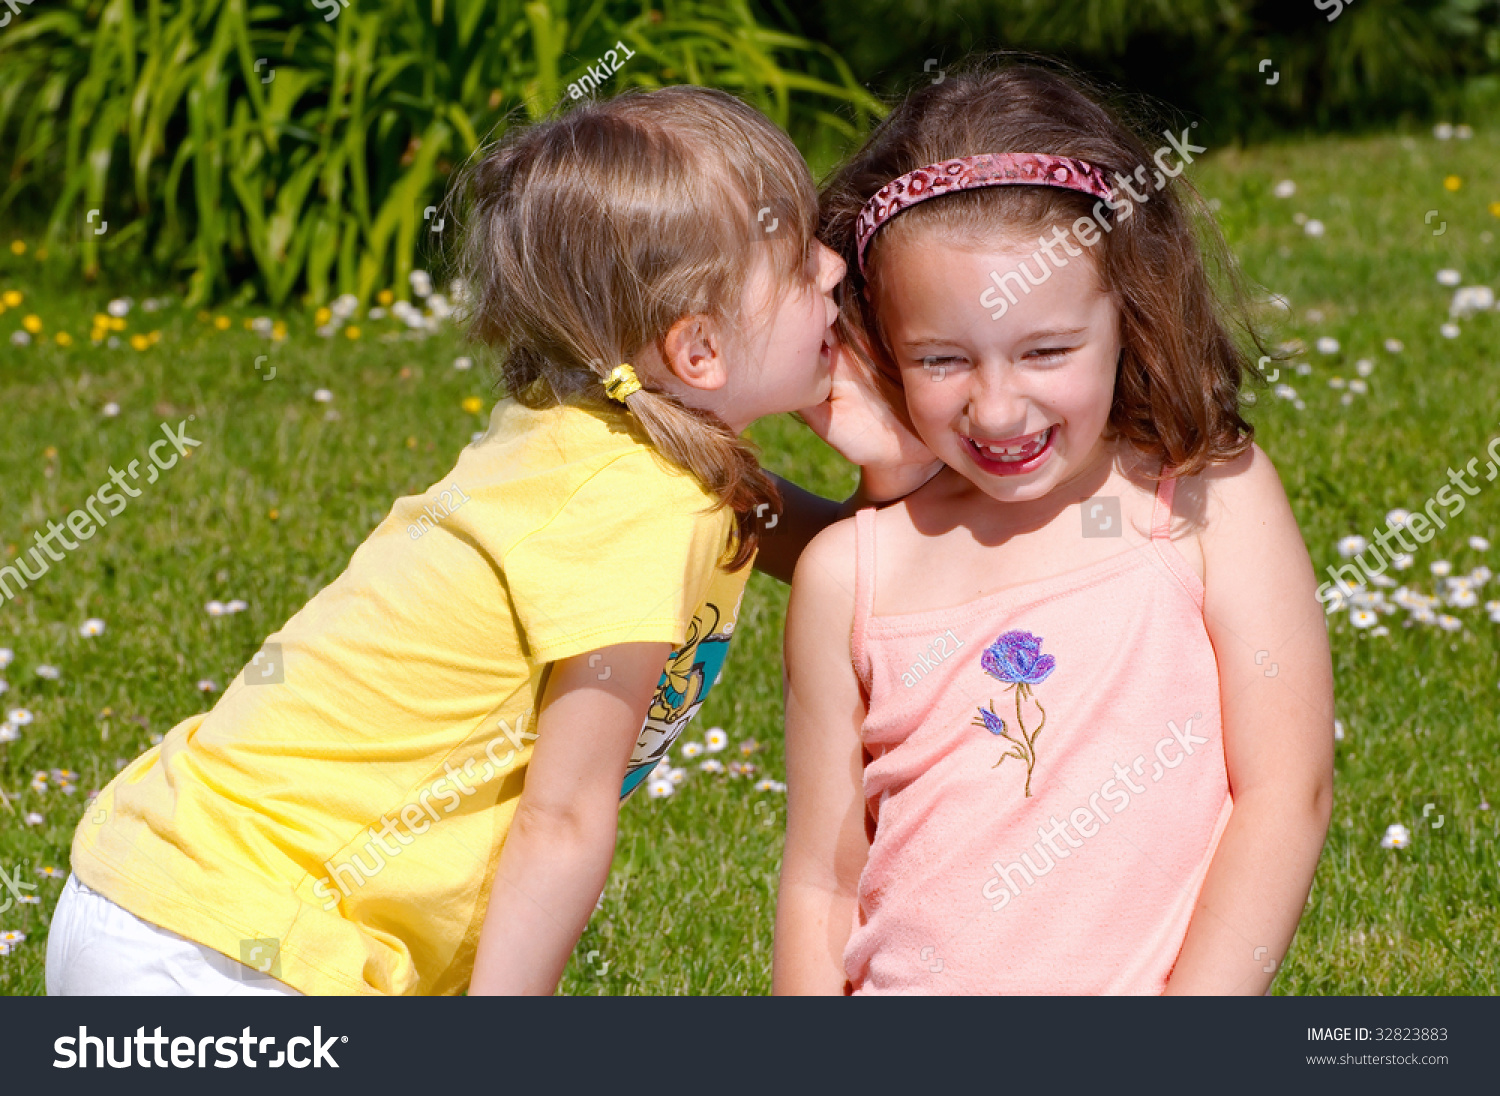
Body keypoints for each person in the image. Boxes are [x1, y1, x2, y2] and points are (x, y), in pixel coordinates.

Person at [46, 86, 930, 996]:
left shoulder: (623, 446)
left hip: (165, 896)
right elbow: (564, 819)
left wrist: (891, 456)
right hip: (231, 946)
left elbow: (859, 559)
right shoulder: (639, 506)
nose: (832, 268)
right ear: (698, 350)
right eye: (795, 263)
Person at [774, 62, 1335, 995]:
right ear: (879, 341)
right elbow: (823, 884)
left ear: (1131, 311)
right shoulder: (854, 572)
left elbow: (1287, 793)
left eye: (1046, 351)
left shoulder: (1203, 500)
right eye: (941, 358)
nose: (997, 411)